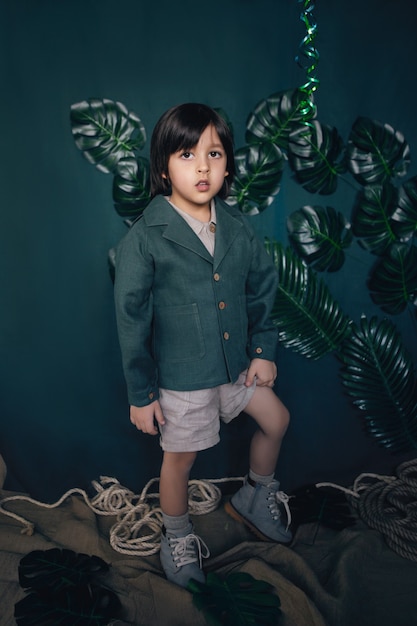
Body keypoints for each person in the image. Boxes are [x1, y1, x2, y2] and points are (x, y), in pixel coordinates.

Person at [114, 102, 292, 588]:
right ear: (163, 166)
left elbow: (261, 287)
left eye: (213, 154)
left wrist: (263, 349)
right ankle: (177, 535)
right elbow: (131, 318)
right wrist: (141, 393)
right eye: (187, 154)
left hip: (237, 367)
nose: (202, 167)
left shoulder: (235, 226)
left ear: (228, 164)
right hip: (184, 378)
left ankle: (256, 495)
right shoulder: (147, 236)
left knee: (277, 420)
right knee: (180, 462)